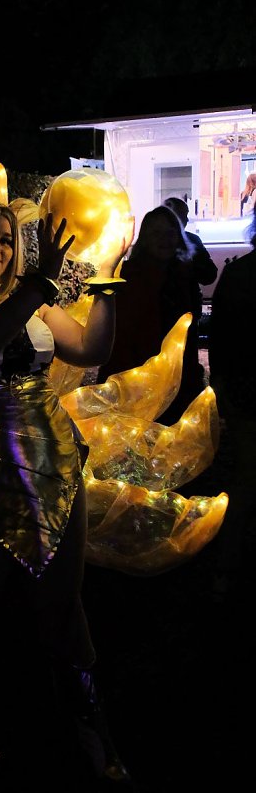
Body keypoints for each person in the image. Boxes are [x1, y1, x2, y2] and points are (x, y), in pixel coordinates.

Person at [0, 184, 133, 780]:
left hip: (53, 460)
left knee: (65, 603)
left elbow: (89, 349)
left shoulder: (32, 304)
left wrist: (105, 283)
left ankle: (93, 727)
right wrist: (38, 285)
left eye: (8, 239)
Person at [96, 204, 206, 426]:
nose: (164, 239)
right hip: (137, 374)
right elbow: (122, 332)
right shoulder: (129, 275)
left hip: (180, 376)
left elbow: (189, 330)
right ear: (145, 238)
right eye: (156, 233)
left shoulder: (185, 275)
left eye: (169, 232)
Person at [208, 207, 256, 599]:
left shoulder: (239, 274)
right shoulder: (240, 275)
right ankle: (228, 565)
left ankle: (228, 567)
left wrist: (223, 387)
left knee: (245, 478)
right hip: (248, 391)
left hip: (245, 391)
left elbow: (220, 337)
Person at [163, 196, 218, 324]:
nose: (187, 219)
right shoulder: (192, 240)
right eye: (184, 214)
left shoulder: (152, 242)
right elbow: (210, 275)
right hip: (187, 311)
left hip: (161, 313)